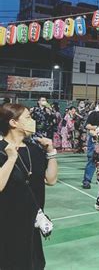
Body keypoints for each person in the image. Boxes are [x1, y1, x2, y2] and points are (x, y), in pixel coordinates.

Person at [0, 103, 58, 269]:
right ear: (13, 123)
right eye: (28, 117)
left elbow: (51, 179)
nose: (32, 121)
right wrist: (11, 158)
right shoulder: (1, 151)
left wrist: (51, 152)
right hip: (7, 224)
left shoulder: (35, 149)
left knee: (34, 264)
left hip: (32, 222)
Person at [82, 99, 99, 189]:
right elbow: (87, 126)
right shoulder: (94, 114)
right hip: (94, 139)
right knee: (92, 159)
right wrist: (98, 127)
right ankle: (87, 180)